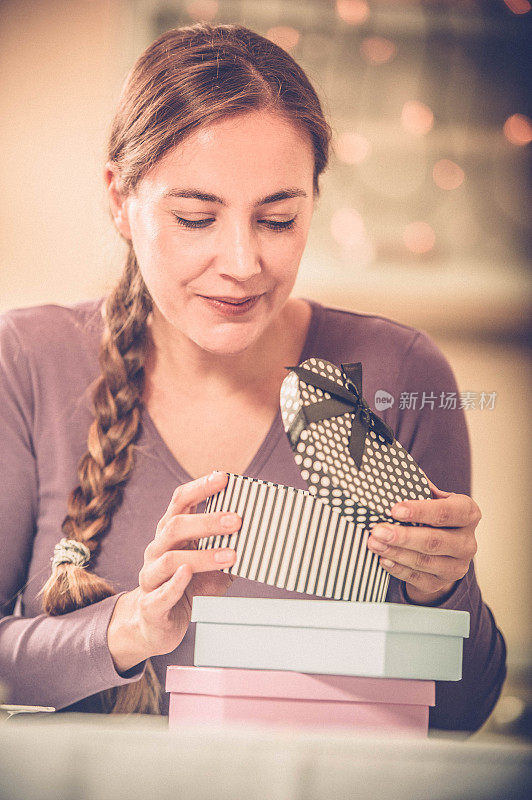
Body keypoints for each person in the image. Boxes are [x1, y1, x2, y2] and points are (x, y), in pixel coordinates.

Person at [0, 23, 505, 728]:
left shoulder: (402, 374)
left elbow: (461, 713)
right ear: (120, 200)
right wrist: (131, 628)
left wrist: (442, 595)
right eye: (196, 217)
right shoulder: (26, 360)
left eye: (276, 219)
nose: (241, 262)